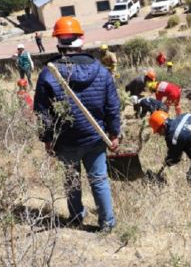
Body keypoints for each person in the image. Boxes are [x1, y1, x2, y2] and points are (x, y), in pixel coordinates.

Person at [34, 16, 120, 232]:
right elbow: (112, 106)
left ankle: (76, 218)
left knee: (71, 181)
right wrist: (114, 133)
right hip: (95, 137)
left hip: (66, 141)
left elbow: (42, 112)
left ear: (58, 42)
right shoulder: (101, 70)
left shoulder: (48, 73)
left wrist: (47, 139)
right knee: (99, 180)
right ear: (81, 40)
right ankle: (107, 224)